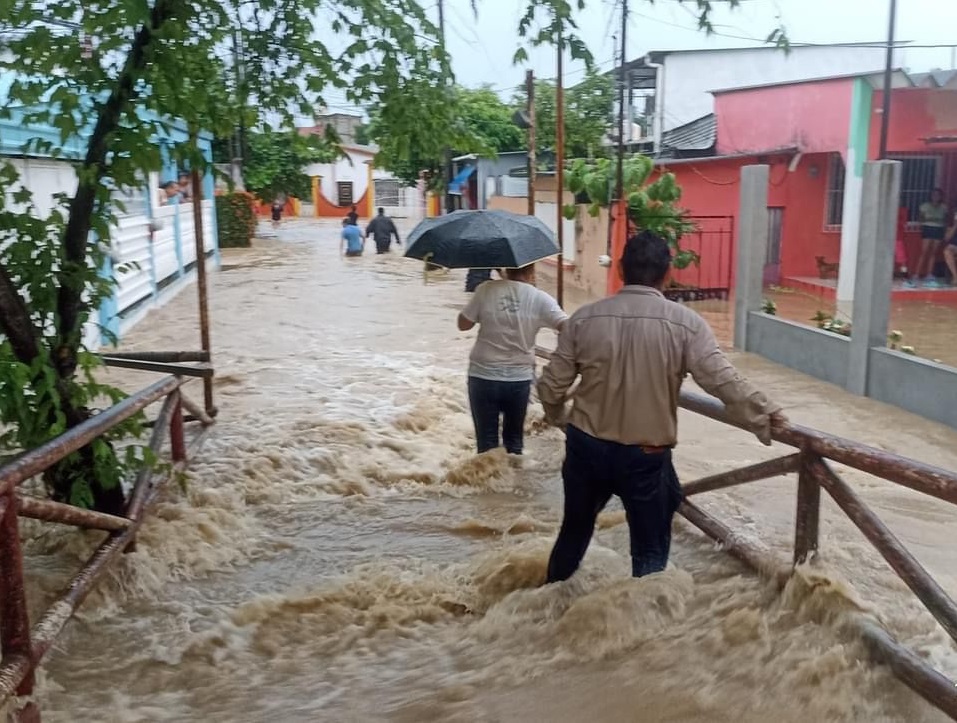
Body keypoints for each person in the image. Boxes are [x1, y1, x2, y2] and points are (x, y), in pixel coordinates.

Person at [538, 230, 786, 582]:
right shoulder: (687, 325)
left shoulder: (584, 319)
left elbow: (551, 386)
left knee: (573, 533)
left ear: (621, 270)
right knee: (650, 551)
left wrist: (560, 419)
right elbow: (721, 380)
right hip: (645, 455)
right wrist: (766, 412)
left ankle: (547, 607)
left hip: (586, 448)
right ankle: (645, 626)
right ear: (667, 273)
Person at [458, 264, 567, 456]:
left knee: (486, 445)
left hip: (483, 377)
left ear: (506, 270)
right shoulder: (539, 298)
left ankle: (487, 483)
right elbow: (568, 327)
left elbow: (463, 324)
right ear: (532, 273)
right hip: (518, 380)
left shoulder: (485, 289)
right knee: (514, 443)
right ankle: (515, 483)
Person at [907, 188, 949, 288]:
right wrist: (923, 225)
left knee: (933, 253)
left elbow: (945, 220)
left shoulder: (944, 207)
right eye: (934, 195)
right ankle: (916, 274)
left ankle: (929, 274)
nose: (936, 197)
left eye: (938, 195)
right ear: (931, 196)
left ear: (941, 197)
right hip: (927, 228)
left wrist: (945, 230)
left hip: (938, 230)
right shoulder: (924, 206)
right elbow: (920, 219)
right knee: (924, 252)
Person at [944, 209, 957, 286]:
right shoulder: (951, 225)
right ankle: (956, 277)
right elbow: (947, 238)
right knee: (947, 252)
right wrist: (955, 225)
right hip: (954, 246)